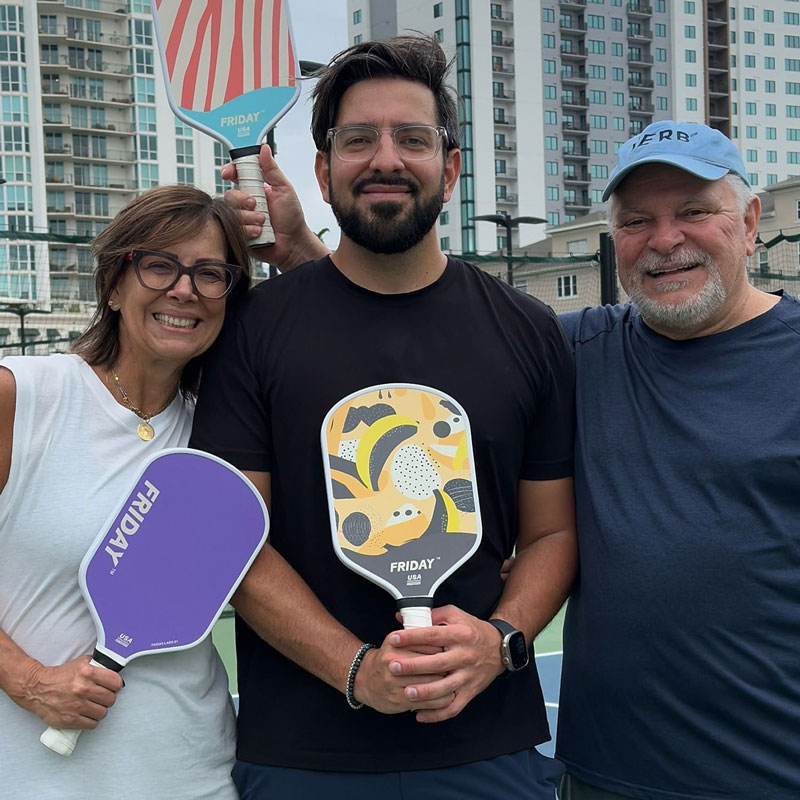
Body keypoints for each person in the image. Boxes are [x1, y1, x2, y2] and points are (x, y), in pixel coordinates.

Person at [192, 36, 577, 799]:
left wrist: (499, 641)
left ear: (453, 166)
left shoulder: (529, 330)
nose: (386, 159)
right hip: (302, 757)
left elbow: (553, 533)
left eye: (414, 138)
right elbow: (234, 539)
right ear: (325, 171)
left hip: (489, 751)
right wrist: (355, 669)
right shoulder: (253, 329)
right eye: (357, 140)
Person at [555, 121, 800, 799]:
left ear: (749, 223)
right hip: (603, 777)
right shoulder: (576, 350)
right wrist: (307, 248)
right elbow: (420, 330)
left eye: (694, 211)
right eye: (637, 221)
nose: (665, 240)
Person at [0, 185, 254, 798]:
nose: (184, 290)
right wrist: (29, 679)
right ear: (115, 285)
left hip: (195, 775)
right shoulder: (23, 397)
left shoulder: (224, 434)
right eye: (159, 265)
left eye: (210, 274)